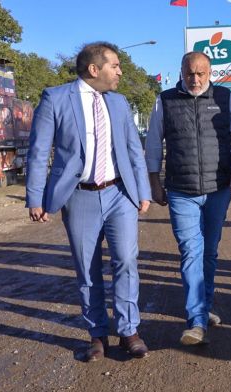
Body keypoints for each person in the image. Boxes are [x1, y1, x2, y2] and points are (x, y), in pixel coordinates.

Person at [26, 41, 152, 362]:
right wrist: (35, 197)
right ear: (94, 69)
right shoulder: (55, 98)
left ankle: (128, 330)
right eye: (115, 65)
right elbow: (39, 151)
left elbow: (133, 150)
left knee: (126, 260)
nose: (120, 71)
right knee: (87, 268)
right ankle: (97, 334)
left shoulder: (120, 103)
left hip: (119, 193)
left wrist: (142, 191)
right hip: (79, 196)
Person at [145, 52, 231, 345]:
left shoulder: (226, 98)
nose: (195, 79)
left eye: (201, 73)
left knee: (210, 252)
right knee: (191, 252)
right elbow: (153, 142)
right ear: (180, 71)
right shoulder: (164, 101)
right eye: (190, 73)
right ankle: (196, 322)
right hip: (181, 191)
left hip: (218, 188)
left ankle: (204, 306)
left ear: (210, 72)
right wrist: (154, 181)